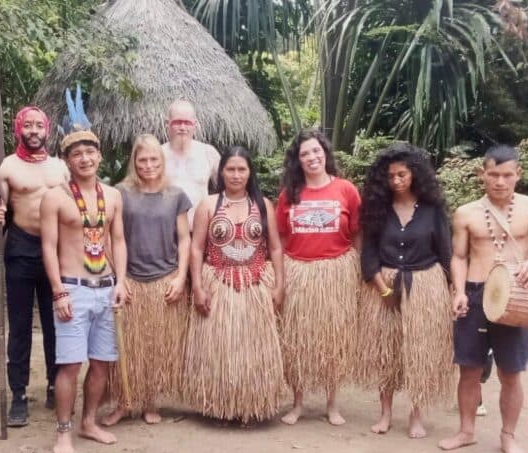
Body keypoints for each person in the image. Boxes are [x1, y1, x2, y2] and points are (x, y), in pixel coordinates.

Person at [438, 145, 528, 453]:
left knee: (510, 373)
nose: (500, 181)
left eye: (507, 175)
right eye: (493, 174)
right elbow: (459, 256)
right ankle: (466, 431)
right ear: (482, 174)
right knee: (469, 370)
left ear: (518, 174)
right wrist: (458, 291)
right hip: (475, 294)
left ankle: (508, 436)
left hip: (516, 295)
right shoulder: (466, 212)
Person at [40, 93, 127, 453]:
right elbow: (48, 247)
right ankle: (63, 431)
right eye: (77, 153)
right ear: (67, 160)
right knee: (71, 365)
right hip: (73, 289)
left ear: (99, 154)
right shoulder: (55, 198)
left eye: (90, 151)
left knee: (103, 361)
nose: (85, 158)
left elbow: (118, 240)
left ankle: (88, 421)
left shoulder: (113, 196)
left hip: (105, 288)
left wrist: (121, 282)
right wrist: (58, 291)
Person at [180, 147, 286, 423]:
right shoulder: (208, 204)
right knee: (223, 349)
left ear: (250, 173)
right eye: (230, 169)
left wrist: (279, 285)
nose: (236, 175)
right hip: (218, 283)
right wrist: (198, 287)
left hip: (256, 286)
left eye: (242, 169)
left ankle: (251, 405)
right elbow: (196, 249)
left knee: (253, 348)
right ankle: (221, 406)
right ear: (221, 172)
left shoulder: (262, 204)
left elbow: (275, 248)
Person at [359, 144, 456, 438]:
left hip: (425, 287)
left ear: (414, 174)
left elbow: (446, 253)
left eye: (402, 174)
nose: (397, 181)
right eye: (390, 176)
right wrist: (383, 290)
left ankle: (416, 416)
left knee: (419, 353)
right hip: (384, 284)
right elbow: (369, 254)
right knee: (387, 353)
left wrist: (452, 290)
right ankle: (385, 414)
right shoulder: (378, 209)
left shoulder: (432, 210)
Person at [0, 106, 68, 426]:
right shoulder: (5, 167)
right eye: (28, 125)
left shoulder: (60, 167)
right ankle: (18, 395)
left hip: (57, 250)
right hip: (21, 248)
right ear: (18, 128)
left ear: (47, 130)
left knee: (56, 324)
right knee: (19, 326)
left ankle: (53, 384)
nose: (34, 131)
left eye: (39, 126)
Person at [101, 134, 192, 426]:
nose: (148, 165)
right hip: (131, 280)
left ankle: (150, 401)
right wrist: (119, 276)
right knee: (125, 347)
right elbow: (109, 238)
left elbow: (184, 239)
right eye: (142, 160)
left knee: (155, 347)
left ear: (161, 161)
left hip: (164, 280)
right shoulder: (120, 193)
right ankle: (124, 402)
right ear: (134, 162)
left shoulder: (176, 195)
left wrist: (181, 278)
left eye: (154, 159)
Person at [275, 129, 361, 426]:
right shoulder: (289, 195)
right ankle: (297, 403)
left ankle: (332, 404)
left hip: (335, 272)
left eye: (316, 151)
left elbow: (357, 234)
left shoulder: (346, 190)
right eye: (304, 154)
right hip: (299, 272)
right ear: (297, 162)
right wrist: (280, 278)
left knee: (331, 340)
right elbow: (281, 239)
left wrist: (358, 271)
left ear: (325, 153)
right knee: (297, 341)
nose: (311, 157)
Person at [162, 99, 221, 223]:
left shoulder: (208, 153)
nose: (183, 128)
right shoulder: (158, 154)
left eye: (187, 123)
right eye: (177, 122)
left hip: (201, 230)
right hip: (166, 231)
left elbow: (227, 190)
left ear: (194, 125)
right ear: (168, 124)